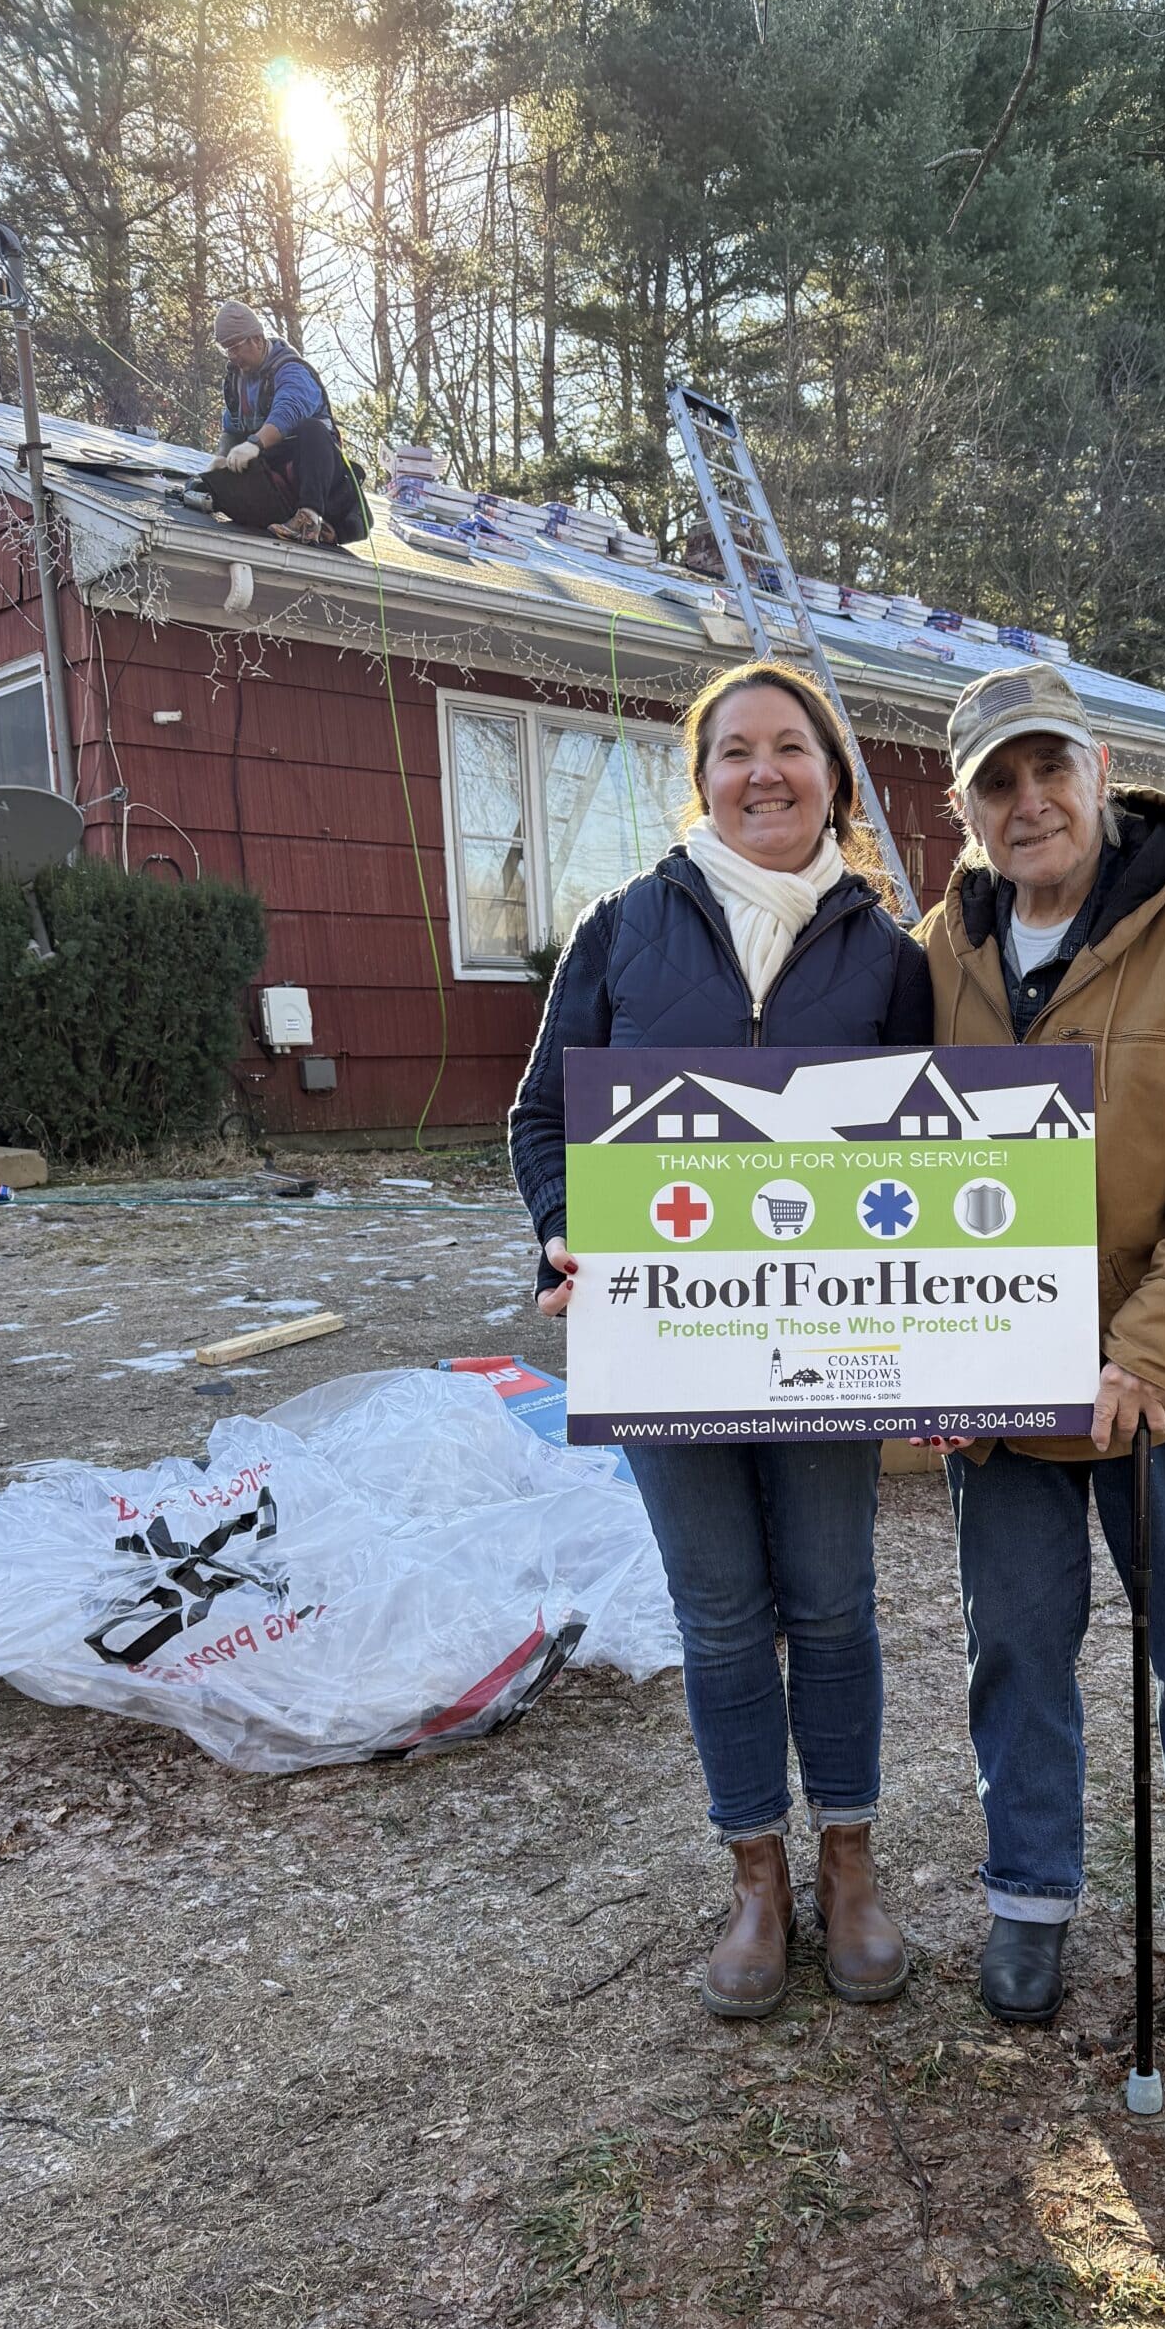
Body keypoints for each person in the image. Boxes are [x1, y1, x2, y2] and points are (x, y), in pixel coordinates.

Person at [510, 661, 932, 2020]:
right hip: (668, 1341)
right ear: (700, 779)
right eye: (736, 750)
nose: (765, 772)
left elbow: (945, 1148)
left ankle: (848, 1863)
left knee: (833, 1603)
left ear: (834, 777)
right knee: (721, 1619)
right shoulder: (623, 928)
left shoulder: (888, 953)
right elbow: (540, 1122)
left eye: (791, 749)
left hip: (828, 1342)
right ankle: (756, 1873)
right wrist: (568, 1227)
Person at [918, 662, 1165, 2033]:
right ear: (965, 807)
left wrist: (1148, 1356)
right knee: (1014, 1647)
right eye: (996, 783)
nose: (1028, 805)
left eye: (1048, 772)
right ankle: (1028, 1899)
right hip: (1006, 1386)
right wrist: (908, 1362)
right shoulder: (940, 950)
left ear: (1097, 773)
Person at [204, 302, 367, 548]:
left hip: (318, 477)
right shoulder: (237, 381)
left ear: (257, 340)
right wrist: (222, 457)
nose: (233, 357)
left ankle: (309, 519)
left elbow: (287, 413)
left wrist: (255, 444)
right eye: (226, 349)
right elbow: (232, 426)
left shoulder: (292, 371)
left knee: (312, 430)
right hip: (275, 481)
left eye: (236, 348)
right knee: (216, 482)